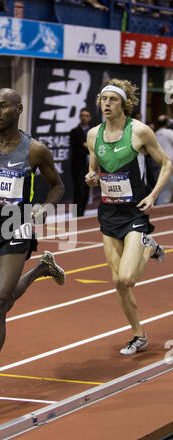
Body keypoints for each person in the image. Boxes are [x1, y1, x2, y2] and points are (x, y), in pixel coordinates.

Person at [0, 88, 65, 413]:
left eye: (3, 106)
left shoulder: (35, 150)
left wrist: (45, 209)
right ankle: (42, 269)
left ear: (19, 109)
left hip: (17, 225)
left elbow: (58, 186)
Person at [85, 79, 172, 356]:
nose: (106, 104)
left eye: (112, 99)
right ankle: (138, 334)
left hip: (135, 211)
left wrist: (154, 195)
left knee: (128, 278)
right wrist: (91, 177)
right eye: (103, 99)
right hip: (108, 213)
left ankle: (148, 245)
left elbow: (167, 163)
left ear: (124, 104)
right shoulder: (93, 135)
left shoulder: (139, 132)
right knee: (119, 283)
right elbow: (94, 169)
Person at [69, 108, 92, 216]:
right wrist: (87, 147)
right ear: (79, 117)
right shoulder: (74, 132)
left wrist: (86, 146)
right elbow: (76, 148)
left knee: (86, 190)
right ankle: (75, 213)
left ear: (89, 118)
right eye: (82, 115)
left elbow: (95, 147)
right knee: (78, 190)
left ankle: (82, 213)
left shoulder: (93, 132)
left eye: (86, 115)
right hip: (78, 165)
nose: (84, 117)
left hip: (89, 165)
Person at [154, 115, 173, 205]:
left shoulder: (156, 133)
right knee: (166, 187)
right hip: (169, 162)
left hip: (158, 163)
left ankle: (160, 206)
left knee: (162, 187)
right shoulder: (169, 132)